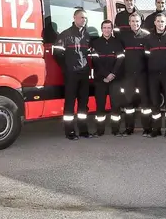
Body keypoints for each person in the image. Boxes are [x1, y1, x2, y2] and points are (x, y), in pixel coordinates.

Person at [53, 9, 92, 140]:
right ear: (74, 18)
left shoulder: (87, 36)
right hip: (71, 75)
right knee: (70, 104)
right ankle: (69, 132)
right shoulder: (65, 35)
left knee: (83, 104)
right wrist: (66, 68)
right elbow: (57, 54)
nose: (84, 20)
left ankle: (83, 130)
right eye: (81, 17)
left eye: (85, 18)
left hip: (84, 74)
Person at [145, 13, 166, 138]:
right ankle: (156, 129)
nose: (160, 23)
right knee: (155, 102)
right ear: (154, 22)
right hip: (153, 75)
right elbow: (146, 56)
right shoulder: (149, 38)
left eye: (162, 21)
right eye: (158, 21)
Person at [90, 20, 126, 136]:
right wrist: (106, 75)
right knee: (100, 106)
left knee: (115, 106)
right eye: (104, 28)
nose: (107, 30)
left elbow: (120, 60)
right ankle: (100, 131)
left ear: (112, 29)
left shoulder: (117, 42)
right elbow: (95, 61)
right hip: (101, 80)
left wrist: (112, 74)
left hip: (115, 79)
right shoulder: (95, 43)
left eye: (109, 28)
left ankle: (116, 130)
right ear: (101, 29)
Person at [119, 12, 152, 135]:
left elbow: (150, 57)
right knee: (128, 102)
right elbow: (120, 58)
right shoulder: (123, 37)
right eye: (133, 21)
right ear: (129, 23)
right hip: (128, 75)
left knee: (145, 103)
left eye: (137, 21)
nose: (135, 23)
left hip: (143, 74)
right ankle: (129, 128)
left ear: (141, 22)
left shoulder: (147, 36)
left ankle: (147, 128)